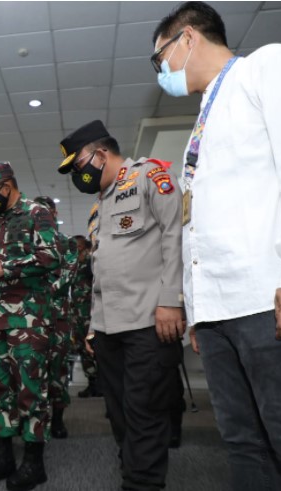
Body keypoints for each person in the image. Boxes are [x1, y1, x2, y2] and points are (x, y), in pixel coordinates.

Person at [152, 2, 281, 488]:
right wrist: (197, 310)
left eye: (161, 59)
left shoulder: (268, 66)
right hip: (219, 314)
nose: (162, 73)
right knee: (243, 445)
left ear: (188, 38)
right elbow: (198, 225)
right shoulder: (204, 117)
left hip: (269, 300)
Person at [57, 119, 184, 490]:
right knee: (118, 413)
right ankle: (132, 470)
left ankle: (141, 483)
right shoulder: (100, 205)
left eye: (78, 166)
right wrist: (94, 325)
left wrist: (171, 302)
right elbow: (100, 273)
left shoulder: (150, 176)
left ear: (100, 154)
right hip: (110, 331)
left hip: (149, 322)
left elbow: (175, 236)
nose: (77, 175)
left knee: (145, 411)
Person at [0, 161, 59, 490]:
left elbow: (52, 257)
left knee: (31, 391)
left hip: (28, 320)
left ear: (6, 186)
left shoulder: (37, 213)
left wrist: (7, 268)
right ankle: (2, 456)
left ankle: (34, 464)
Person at [33, 196, 78, 439]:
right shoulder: (29, 242)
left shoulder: (66, 243)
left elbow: (68, 276)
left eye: (46, 211)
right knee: (32, 368)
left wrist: (42, 291)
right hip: (31, 317)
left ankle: (58, 418)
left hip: (58, 315)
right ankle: (35, 418)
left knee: (58, 369)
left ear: (54, 212)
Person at [69, 235, 101, 398]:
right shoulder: (75, 264)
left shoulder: (90, 262)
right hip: (77, 315)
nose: (75, 250)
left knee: (94, 347)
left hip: (91, 315)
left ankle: (103, 383)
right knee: (82, 349)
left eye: (77, 247)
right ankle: (93, 382)